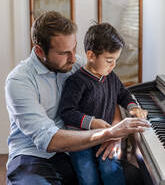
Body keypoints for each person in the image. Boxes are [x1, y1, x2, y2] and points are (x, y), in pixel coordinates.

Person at [5, 11, 150, 185]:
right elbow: (49, 140)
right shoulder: (19, 81)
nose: (73, 58)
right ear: (39, 51)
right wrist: (107, 133)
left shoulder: (78, 66)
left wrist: (115, 134)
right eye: (64, 53)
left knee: (137, 178)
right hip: (33, 156)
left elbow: (110, 94)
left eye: (74, 48)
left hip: (77, 150)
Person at [59, 22, 148, 185]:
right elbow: (66, 111)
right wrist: (92, 123)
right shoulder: (76, 82)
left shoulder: (111, 77)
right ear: (91, 56)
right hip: (80, 141)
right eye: (109, 60)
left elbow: (123, 93)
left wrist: (133, 106)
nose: (113, 65)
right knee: (88, 177)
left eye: (115, 60)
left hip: (105, 136)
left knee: (111, 170)